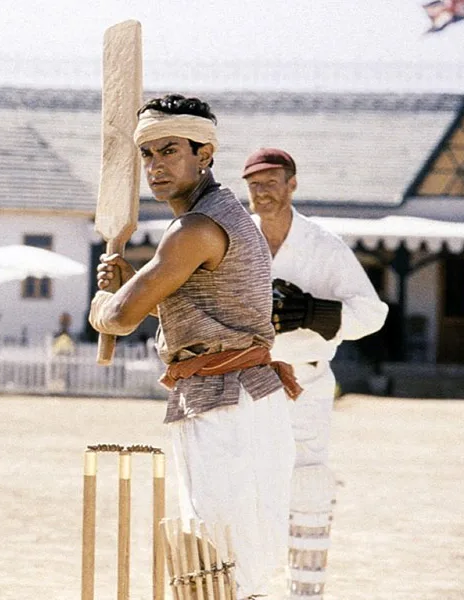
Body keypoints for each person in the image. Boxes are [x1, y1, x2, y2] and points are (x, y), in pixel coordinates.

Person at [89, 94, 297, 600]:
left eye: (170, 151)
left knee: (225, 563)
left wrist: (105, 304)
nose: (155, 166)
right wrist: (135, 284)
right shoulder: (212, 217)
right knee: (218, 562)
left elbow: (121, 317)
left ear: (204, 154)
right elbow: (203, 311)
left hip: (229, 401)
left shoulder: (196, 228)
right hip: (229, 396)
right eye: (147, 154)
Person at [242, 148, 389, 600]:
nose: (262, 192)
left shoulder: (323, 245)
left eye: (271, 183)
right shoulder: (235, 238)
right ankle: (246, 587)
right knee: (243, 483)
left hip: (304, 381)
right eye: (254, 185)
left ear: (292, 184)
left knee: (307, 482)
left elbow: (372, 314)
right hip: (244, 379)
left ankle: (305, 593)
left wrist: (315, 312)